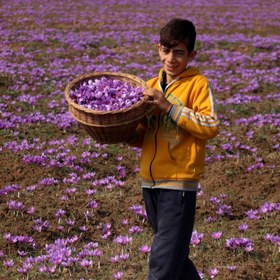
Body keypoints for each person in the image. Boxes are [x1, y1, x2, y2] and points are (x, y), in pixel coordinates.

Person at [127, 18, 220, 280]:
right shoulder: (149, 86)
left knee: (162, 263)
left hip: (178, 184)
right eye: (166, 50)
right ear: (158, 49)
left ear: (191, 55)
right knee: (174, 257)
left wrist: (169, 107)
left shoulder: (198, 84)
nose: (171, 58)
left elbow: (210, 125)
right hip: (150, 183)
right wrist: (125, 135)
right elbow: (145, 135)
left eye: (179, 52)